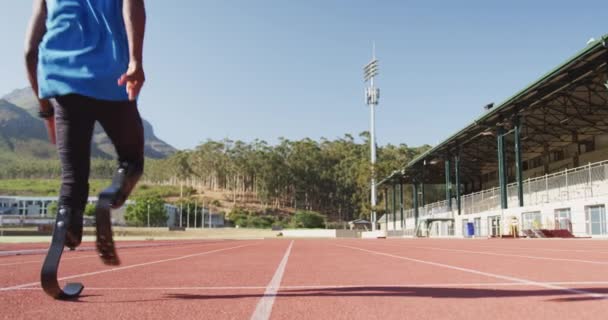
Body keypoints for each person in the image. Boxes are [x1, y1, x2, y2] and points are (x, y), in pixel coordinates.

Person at [24, 0, 146, 249]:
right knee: (131, 160)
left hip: (62, 81)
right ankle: (115, 191)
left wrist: (46, 111)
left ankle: (67, 226)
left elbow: (29, 52)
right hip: (112, 78)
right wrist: (135, 61)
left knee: (73, 179)